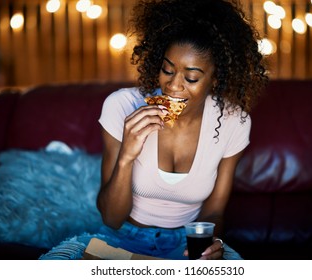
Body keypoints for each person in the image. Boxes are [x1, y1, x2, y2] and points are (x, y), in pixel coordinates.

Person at [39, 0, 267, 260]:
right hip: (122, 240)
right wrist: (127, 155)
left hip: (186, 244)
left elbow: (214, 211)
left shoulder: (233, 121)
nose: (173, 86)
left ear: (216, 79)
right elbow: (112, 218)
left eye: (191, 78)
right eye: (167, 70)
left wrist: (209, 244)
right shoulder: (122, 105)